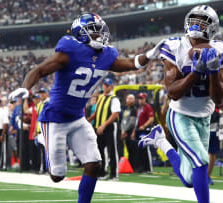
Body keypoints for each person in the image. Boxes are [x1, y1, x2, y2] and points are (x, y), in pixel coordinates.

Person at [9, 12, 162, 203]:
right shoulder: (69, 50)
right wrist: (25, 88)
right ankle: (42, 139)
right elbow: (39, 70)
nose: (100, 36)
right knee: (57, 176)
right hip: (55, 117)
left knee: (94, 164)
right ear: (81, 34)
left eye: (101, 31)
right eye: (94, 32)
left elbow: (131, 64)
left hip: (77, 117)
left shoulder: (106, 55)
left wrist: (149, 55)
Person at [138, 5, 223, 203]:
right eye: (194, 20)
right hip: (179, 114)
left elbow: (218, 99)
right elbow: (173, 93)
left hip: (204, 117)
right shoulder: (174, 46)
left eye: (202, 21)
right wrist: (196, 72)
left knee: (190, 179)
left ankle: (160, 141)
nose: (196, 24)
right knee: (201, 161)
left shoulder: (222, 50)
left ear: (212, 26)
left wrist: (213, 71)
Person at [88, 78, 121, 180]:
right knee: (99, 150)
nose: (105, 87)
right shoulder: (101, 97)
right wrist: (88, 120)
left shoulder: (114, 99)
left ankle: (114, 174)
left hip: (110, 127)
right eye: (104, 85)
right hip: (99, 127)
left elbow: (115, 114)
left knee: (112, 150)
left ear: (111, 87)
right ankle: (102, 172)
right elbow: (96, 112)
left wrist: (104, 125)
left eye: (107, 85)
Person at [131, 92, 154, 173]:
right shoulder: (139, 108)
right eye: (139, 99)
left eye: (141, 99)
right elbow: (137, 121)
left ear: (145, 99)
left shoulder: (147, 107)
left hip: (145, 130)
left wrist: (144, 126)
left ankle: (149, 168)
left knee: (145, 149)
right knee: (140, 149)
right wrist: (134, 131)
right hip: (139, 130)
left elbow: (151, 118)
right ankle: (142, 167)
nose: (140, 100)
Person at [120, 94, 137, 170]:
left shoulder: (134, 110)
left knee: (132, 150)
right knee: (125, 149)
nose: (128, 100)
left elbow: (132, 122)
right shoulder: (126, 109)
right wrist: (122, 130)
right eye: (128, 98)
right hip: (124, 131)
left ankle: (133, 166)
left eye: (131, 99)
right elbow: (122, 121)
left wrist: (125, 130)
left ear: (134, 100)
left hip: (130, 132)